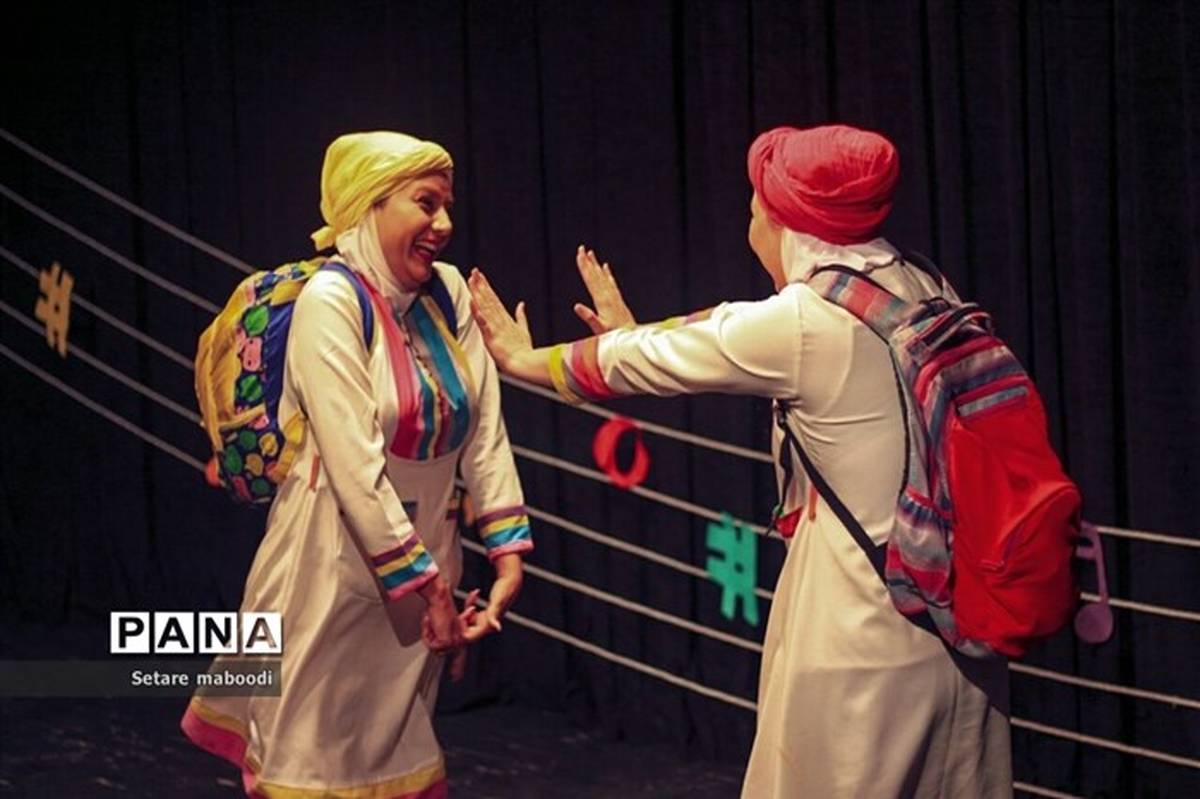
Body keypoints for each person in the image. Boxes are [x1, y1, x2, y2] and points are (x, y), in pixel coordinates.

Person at [468, 124, 1011, 798]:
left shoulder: (808, 320)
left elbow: (661, 355)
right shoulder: (925, 283)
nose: (751, 225)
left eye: (756, 210)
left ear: (789, 221)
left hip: (864, 625)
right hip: (958, 615)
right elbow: (712, 335)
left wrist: (524, 360)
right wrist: (636, 337)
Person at [183, 131, 533, 798]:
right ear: (369, 207)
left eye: (447, 206)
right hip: (330, 571)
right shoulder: (332, 302)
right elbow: (354, 468)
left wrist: (506, 554)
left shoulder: (448, 292)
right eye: (425, 203)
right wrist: (430, 589)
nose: (444, 224)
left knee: (393, 759)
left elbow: (484, 427)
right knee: (308, 761)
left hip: (425, 567)